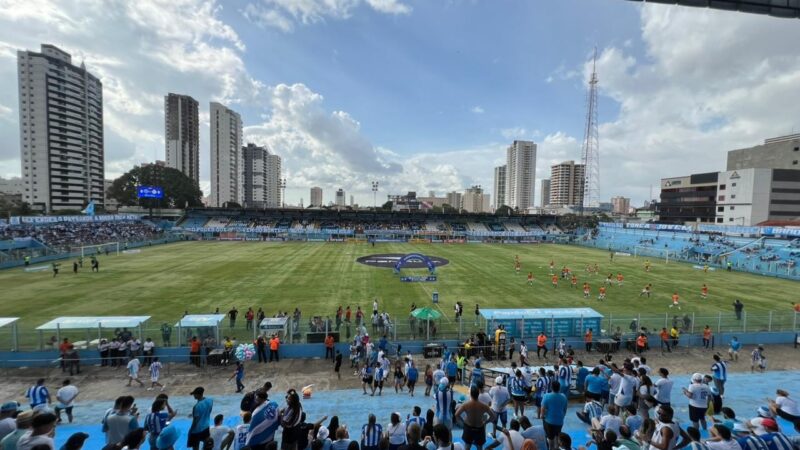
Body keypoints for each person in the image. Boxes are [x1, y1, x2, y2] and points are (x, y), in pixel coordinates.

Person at [455, 385, 496, 450]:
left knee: (467, 446)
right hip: (479, 428)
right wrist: (486, 422)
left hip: (468, 427)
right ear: (478, 394)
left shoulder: (465, 405)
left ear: (470, 394)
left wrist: (463, 422)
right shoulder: (484, 406)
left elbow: (456, 414)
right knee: (479, 447)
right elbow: (493, 416)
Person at [541, 380, 568, 450]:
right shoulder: (564, 397)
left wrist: (542, 416)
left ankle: (551, 448)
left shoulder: (546, 396)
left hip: (549, 421)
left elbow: (543, 409)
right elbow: (565, 410)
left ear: (551, 387)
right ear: (559, 388)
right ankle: (557, 447)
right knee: (557, 436)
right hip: (559, 421)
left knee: (550, 438)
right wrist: (561, 417)